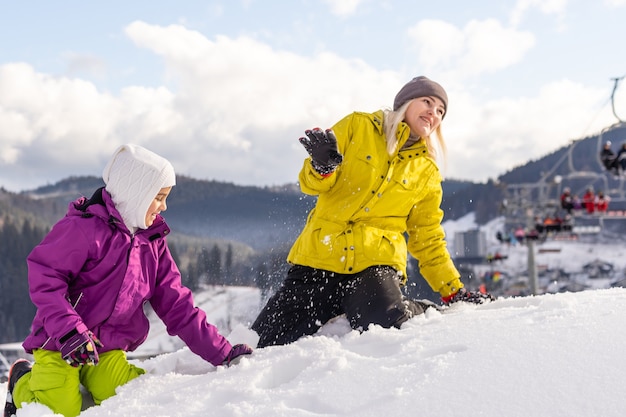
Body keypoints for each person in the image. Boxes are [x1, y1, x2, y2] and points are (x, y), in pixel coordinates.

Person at [4, 144, 253, 417]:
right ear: (136, 193)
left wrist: (223, 353)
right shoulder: (84, 229)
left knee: (130, 395)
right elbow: (45, 277)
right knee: (61, 409)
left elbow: (177, 305)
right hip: (61, 343)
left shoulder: (152, 243)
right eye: (158, 197)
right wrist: (69, 331)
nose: (164, 206)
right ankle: (21, 382)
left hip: (107, 347)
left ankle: (88, 380)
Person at [251, 76, 494, 348]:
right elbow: (310, 185)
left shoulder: (426, 171)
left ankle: (415, 308)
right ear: (405, 102)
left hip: (373, 263)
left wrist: (453, 291)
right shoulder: (359, 126)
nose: (433, 113)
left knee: (383, 323)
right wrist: (321, 167)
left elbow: (427, 237)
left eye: (440, 111)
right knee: (264, 342)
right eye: (427, 101)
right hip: (320, 257)